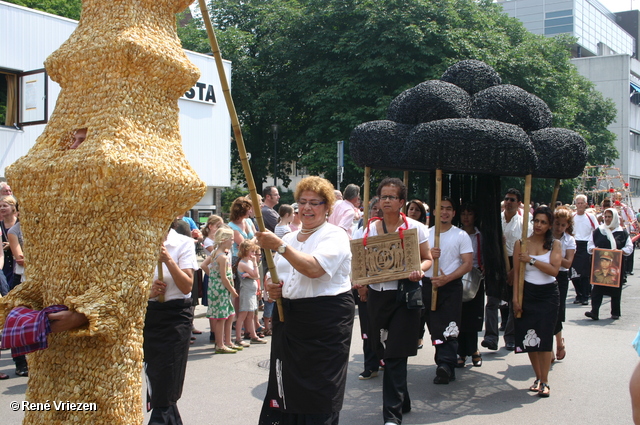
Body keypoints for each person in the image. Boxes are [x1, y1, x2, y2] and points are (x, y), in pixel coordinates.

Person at [256, 176, 354, 425]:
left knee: (319, 391)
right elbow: (275, 277)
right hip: (289, 321)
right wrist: (271, 288)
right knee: (285, 388)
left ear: (327, 207)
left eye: (315, 202)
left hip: (324, 322)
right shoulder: (289, 237)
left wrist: (279, 246)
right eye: (303, 202)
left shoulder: (335, 235)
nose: (308, 208)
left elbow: (314, 269)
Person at [358, 177, 432, 425]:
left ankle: (392, 416)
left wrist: (419, 270)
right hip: (378, 298)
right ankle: (403, 399)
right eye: (383, 196)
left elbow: (427, 258)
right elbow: (361, 263)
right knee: (382, 350)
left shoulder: (415, 228)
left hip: (404, 296)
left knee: (395, 354)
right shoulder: (369, 228)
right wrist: (361, 283)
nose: (386, 201)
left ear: (402, 202)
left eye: (391, 197)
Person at [143, 225, 197, 424]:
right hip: (150, 315)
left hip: (175, 316)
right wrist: (148, 291)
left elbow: (186, 286)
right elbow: (130, 284)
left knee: (169, 376)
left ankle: (160, 419)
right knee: (156, 376)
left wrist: (167, 260)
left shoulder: (183, 243)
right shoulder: (140, 242)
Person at [423, 197, 473, 384]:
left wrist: (448, 278)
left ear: (453, 213)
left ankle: (445, 364)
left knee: (450, 326)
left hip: (451, 286)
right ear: (435, 212)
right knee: (435, 326)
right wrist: (429, 255)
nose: (444, 212)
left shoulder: (461, 236)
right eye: (441, 208)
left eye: (448, 209)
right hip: (429, 284)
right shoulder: (426, 235)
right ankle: (444, 362)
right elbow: (416, 258)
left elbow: (467, 264)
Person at [513, 206, 561, 398]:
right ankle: (538, 377)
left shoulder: (554, 244)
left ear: (549, 225)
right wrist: (515, 298)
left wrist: (531, 260)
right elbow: (516, 273)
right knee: (529, 337)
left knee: (545, 336)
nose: (539, 225)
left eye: (543, 222)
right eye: (536, 221)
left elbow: (554, 270)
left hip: (548, 294)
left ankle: (545, 380)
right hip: (527, 293)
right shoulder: (521, 243)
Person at [482, 188, 523, 352]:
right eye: (506, 199)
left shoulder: (524, 223)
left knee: (514, 301)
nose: (509, 202)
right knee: (492, 300)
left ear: (519, 203)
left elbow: (525, 248)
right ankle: (490, 337)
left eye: (512, 200)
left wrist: (514, 270)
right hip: (495, 261)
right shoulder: (496, 221)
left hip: (514, 262)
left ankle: (511, 337)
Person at [585, 208, 633, 320]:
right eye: (605, 216)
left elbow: (629, 247)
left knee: (615, 288)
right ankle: (594, 311)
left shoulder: (622, 233)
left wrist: (621, 252)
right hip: (600, 265)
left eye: (609, 217)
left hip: (616, 265)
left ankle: (615, 312)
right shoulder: (598, 231)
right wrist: (594, 250)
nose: (606, 219)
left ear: (614, 218)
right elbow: (590, 245)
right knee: (597, 288)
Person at [201, 226, 239, 354]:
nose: (233, 242)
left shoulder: (215, 253)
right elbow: (224, 277)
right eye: (231, 239)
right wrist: (232, 290)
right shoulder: (222, 257)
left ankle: (227, 341)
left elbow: (203, 265)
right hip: (222, 290)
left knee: (228, 315)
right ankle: (220, 344)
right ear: (224, 240)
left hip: (217, 288)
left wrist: (212, 276)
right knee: (222, 317)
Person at [456, 203, 484, 369]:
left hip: (476, 277)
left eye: (470, 213)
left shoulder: (481, 236)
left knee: (474, 316)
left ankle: (473, 349)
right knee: (460, 315)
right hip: (458, 275)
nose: (466, 217)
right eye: (463, 213)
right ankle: (461, 351)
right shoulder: (457, 234)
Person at [551, 206, 576, 362]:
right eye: (557, 223)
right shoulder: (546, 237)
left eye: (563, 225)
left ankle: (559, 341)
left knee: (558, 312)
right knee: (548, 311)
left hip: (561, 276)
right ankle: (548, 347)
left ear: (567, 225)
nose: (559, 227)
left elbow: (567, 263)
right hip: (547, 274)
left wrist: (553, 257)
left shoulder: (569, 240)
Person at [235, 240, 267, 346]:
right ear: (245, 251)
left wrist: (252, 275)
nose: (253, 254)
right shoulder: (243, 263)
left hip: (252, 291)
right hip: (246, 292)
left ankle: (253, 336)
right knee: (243, 314)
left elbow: (255, 275)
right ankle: (238, 338)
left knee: (251, 314)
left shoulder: (248, 262)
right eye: (252, 251)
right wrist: (254, 265)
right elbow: (256, 274)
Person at [571, 194, 598, 305]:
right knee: (573, 274)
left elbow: (596, 230)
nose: (580, 205)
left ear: (586, 204)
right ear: (575, 204)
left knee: (584, 274)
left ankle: (585, 296)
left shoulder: (590, 217)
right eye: (578, 203)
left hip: (586, 245)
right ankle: (579, 294)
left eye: (582, 203)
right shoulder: (572, 216)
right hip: (573, 245)